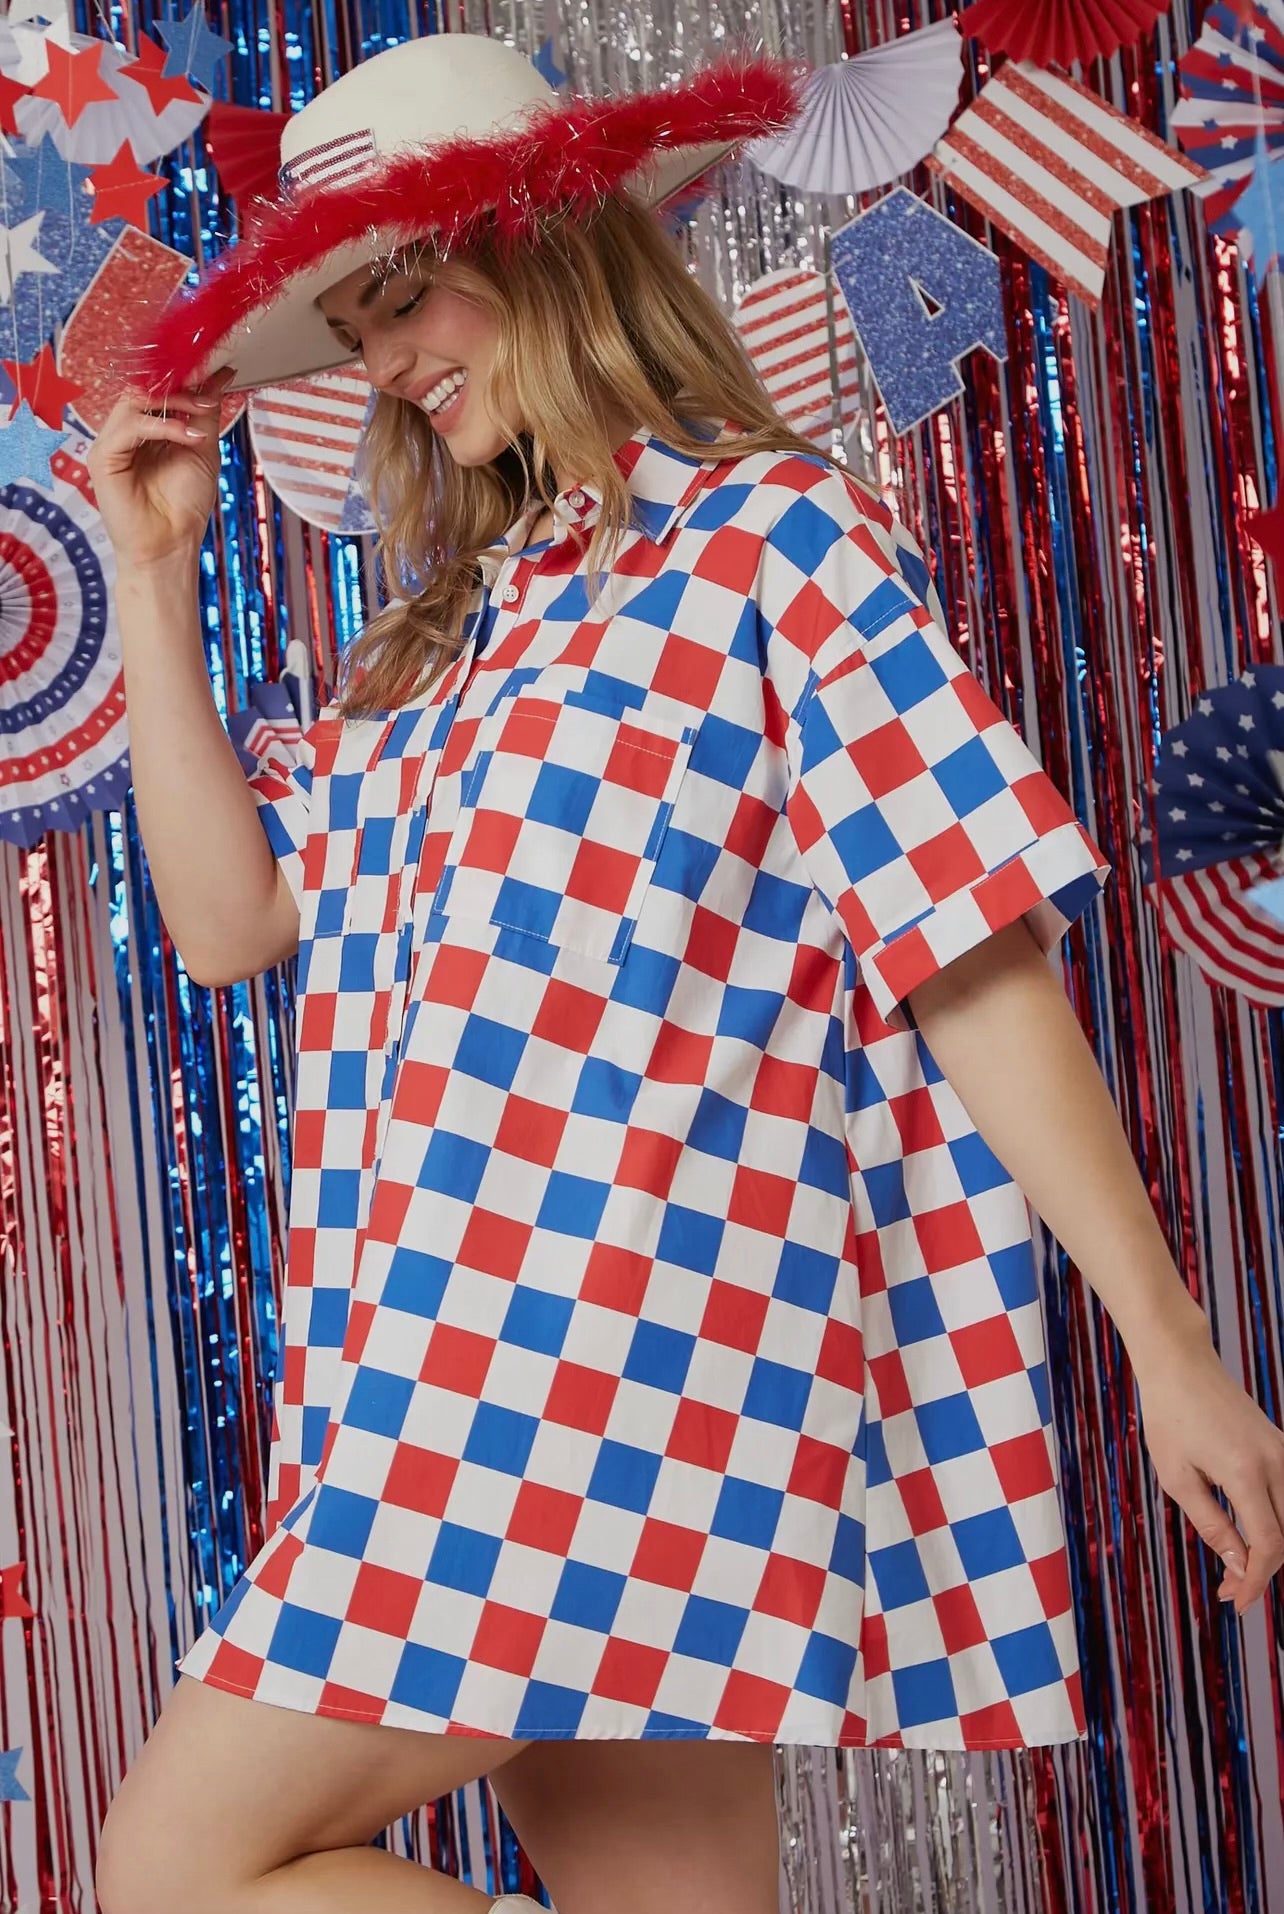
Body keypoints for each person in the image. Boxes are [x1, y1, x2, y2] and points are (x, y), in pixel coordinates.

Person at [87, 30, 1284, 1914]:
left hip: (593, 1375)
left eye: (405, 297)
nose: (387, 364)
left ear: (553, 245)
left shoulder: (769, 544)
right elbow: (233, 928)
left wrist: (1170, 1345)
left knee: (173, 1870)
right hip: (460, 1375)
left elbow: (965, 945)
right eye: (356, 328)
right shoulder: (439, 649)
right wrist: (154, 580)